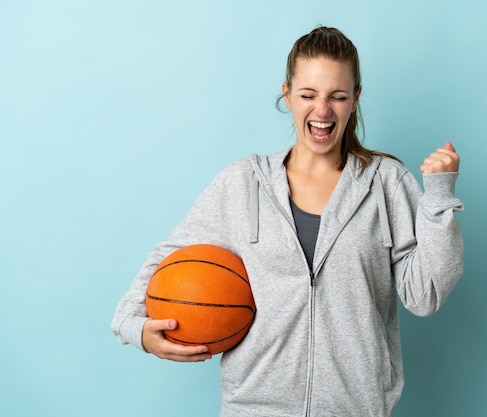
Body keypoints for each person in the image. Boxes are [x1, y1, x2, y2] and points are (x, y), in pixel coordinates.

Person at [111, 26, 463, 417]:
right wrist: (135, 327)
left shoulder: (386, 184)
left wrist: (439, 200)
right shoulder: (244, 183)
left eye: (338, 96)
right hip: (254, 408)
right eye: (308, 95)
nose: (323, 111)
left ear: (356, 97)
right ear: (288, 94)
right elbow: (168, 258)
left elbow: (425, 294)